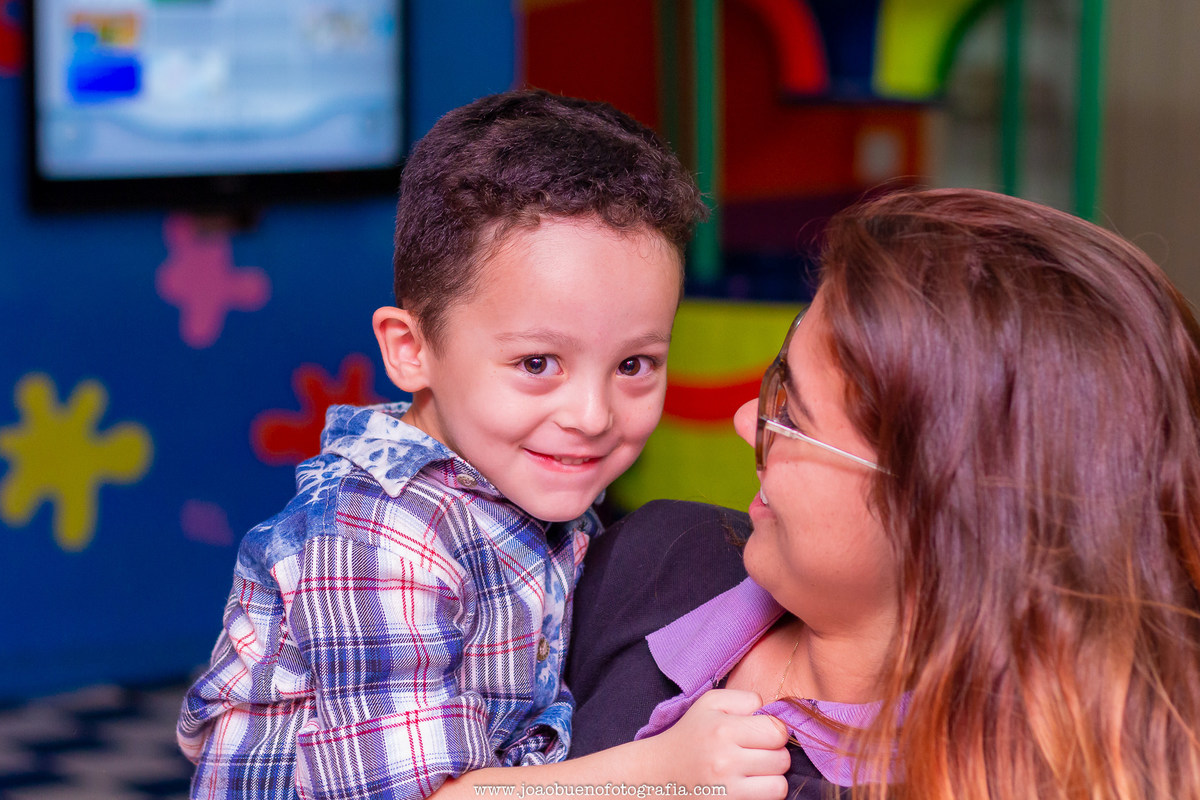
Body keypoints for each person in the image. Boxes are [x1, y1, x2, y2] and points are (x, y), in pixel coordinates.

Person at [177, 90, 791, 800]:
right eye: (537, 364)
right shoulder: (378, 537)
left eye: (633, 365)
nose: (592, 415)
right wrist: (665, 773)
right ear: (411, 350)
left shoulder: (517, 482)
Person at [568, 187, 1200, 800]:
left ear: (938, 514)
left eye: (792, 416)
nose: (745, 422)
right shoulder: (654, 560)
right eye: (777, 378)